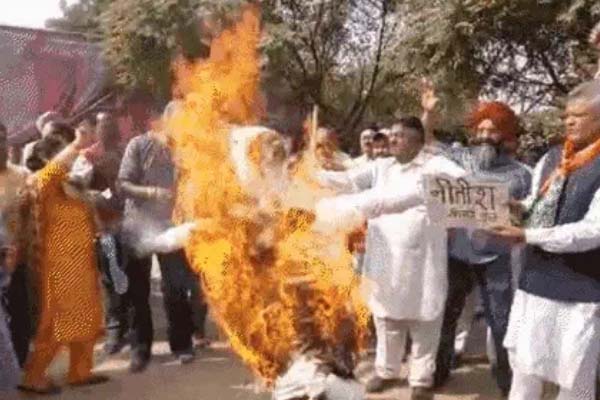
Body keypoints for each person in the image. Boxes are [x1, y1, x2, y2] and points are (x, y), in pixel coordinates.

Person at [317, 117, 464, 400]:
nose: (392, 141)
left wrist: (428, 190)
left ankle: (421, 379)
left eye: (400, 136)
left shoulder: (435, 164)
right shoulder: (382, 167)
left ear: (418, 142)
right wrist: (312, 174)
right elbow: (348, 181)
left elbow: (460, 180)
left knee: (425, 320)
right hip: (385, 258)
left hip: (423, 260)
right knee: (386, 319)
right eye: (391, 136)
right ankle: (386, 371)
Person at [490, 79, 600, 400]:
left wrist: (528, 234)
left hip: (580, 292)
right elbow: (537, 206)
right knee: (524, 370)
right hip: (534, 284)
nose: (569, 122)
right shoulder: (552, 158)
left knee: (574, 380)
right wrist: (516, 209)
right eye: (567, 115)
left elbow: (593, 230)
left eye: (579, 116)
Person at [434, 101, 532, 396]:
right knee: (445, 316)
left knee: (501, 321)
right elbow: (426, 148)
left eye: (494, 130)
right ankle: (438, 371)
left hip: (497, 257)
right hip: (457, 253)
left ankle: (506, 383)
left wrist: (515, 212)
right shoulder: (459, 159)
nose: (487, 135)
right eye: (482, 129)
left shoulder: (521, 174)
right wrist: (429, 115)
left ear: (507, 135)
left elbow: (530, 213)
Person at [19, 123, 107, 395]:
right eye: (63, 155)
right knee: (55, 324)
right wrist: (76, 145)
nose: (70, 161)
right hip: (59, 269)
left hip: (83, 265)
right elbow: (52, 172)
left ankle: (79, 372)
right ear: (49, 159)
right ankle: (32, 376)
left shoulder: (72, 187)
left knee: (88, 319)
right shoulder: (41, 183)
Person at [118, 105, 197, 373]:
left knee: (176, 287)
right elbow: (123, 184)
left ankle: (182, 344)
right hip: (138, 226)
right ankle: (141, 349)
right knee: (137, 292)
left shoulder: (188, 151)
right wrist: (152, 192)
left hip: (171, 227)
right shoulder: (138, 145)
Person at [68, 112, 130, 355]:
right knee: (112, 279)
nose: (108, 129)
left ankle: (133, 330)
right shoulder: (88, 157)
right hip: (104, 228)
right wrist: (97, 196)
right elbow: (75, 184)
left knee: (133, 279)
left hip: (130, 225)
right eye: (104, 124)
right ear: (97, 129)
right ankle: (115, 330)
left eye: (112, 124)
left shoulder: (128, 151)